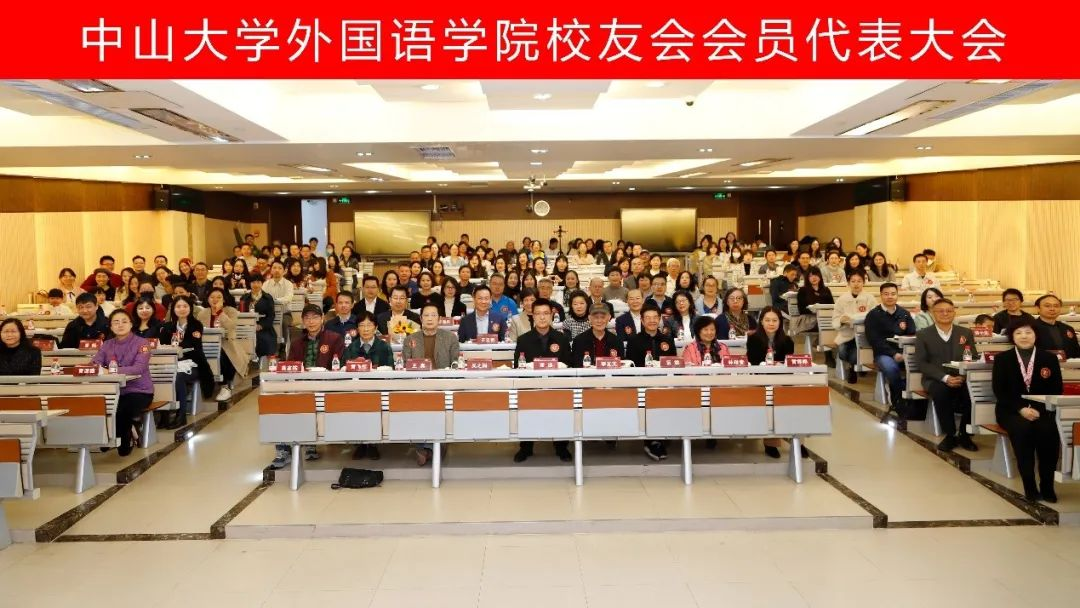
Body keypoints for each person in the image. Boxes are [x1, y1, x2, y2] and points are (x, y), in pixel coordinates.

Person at [993, 320, 1063, 502]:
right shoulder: (1002, 359)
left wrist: (1038, 408)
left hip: (1042, 410)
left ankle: (1047, 485)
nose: (1024, 336)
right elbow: (1000, 391)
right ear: (1012, 337)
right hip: (1010, 410)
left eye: (1028, 332)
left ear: (1036, 335)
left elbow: (1056, 389)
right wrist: (1021, 409)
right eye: (1018, 333)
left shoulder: (1049, 359)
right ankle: (1029, 485)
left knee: (1049, 430)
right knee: (1022, 430)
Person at [270, 304, 344, 469]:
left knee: (308, 402)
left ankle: (309, 441)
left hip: (326, 386)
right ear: (303, 321)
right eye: (307, 318)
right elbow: (290, 366)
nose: (311, 322)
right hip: (301, 385)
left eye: (315, 317)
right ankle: (283, 449)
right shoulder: (297, 343)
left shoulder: (334, 338)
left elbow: (339, 365)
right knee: (279, 403)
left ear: (322, 318)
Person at [512, 298, 573, 463]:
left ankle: (561, 447)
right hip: (531, 387)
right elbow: (518, 366)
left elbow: (569, 364)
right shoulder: (523, 340)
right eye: (538, 313)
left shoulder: (561, 339)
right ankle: (526, 447)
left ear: (552, 315)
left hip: (557, 388)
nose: (542, 317)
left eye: (546, 313)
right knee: (526, 410)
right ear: (532, 316)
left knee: (562, 410)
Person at [915, 298, 978, 452]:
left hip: (961, 377)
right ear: (932, 313)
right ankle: (950, 435)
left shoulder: (965, 333)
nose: (945, 313)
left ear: (954, 313)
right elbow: (922, 363)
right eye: (940, 311)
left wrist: (963, 376)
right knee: (941, 392)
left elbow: (972, 357)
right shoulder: (923, 334)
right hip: (935, 379)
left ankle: (964, 434)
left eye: (949, 311)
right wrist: (945, 378)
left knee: (973, 393)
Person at [91, 310, 153, 456]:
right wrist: (97, 368)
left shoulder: (142, 343)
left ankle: (122, 438)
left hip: (139, 391)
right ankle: (110, 437)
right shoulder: (107, 344)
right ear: (111, 326)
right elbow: (94, 364)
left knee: (121, 408)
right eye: (116, 322)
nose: (120, 325)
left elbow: (139, 368)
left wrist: (110, 371)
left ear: (131, 324)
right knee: (101, 405)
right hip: (113, 390)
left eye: (124, 321)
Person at [627, 304, 677, 460]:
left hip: (665, 383)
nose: (652, 321)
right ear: (642, 321)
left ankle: (660, 436)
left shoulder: (667, 339)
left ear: (660, 319)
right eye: (648, 318)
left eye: (655, 317)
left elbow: (673, 363)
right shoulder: (634, 340)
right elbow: (631, 367)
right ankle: (653, 441)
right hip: (643, 384)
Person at [158, 295, 214, 429]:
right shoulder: (168, 326)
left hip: (193, 364)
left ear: (190, 308)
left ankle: (181, 415)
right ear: (173, 309)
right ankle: (164, 415)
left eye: (185, 306)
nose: (182, 309)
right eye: (178, 306)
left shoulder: (196, 325)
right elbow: (162, 344)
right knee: (160, 376)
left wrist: (178, 347)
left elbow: (193, 343)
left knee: (178, 377)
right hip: (171, 363)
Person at [746, 306, 796, 458]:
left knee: (798, 399)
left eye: (775, 320)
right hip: (761, 379)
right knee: (772, 400)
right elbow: (754, 362)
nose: (771, 323)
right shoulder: (753, 339)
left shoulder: (787, 341)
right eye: (767, 320)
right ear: (761, 321)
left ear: (780, 322)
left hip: (782, 379)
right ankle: (771, 443)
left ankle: (798, 441)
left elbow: (789, 364)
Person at [865, 282, 917, 418]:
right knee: (891, 368)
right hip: (883, 354)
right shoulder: (873, 315)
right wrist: (894, 354)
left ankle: (912, 399)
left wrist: (905, 353)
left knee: (922, 366)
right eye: (886, 294)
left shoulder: (904, 314)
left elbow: (912, 334)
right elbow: (874, 340)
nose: (890, 297)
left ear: (897, 295)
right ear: (881, 295)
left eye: (893, 294)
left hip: (905, 352)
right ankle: (897, 400)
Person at [197, 288, 251, 402]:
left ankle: (225, 385)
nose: (215, 300)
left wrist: (220, 313)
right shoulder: (202, 313)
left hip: (228, 343)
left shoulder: (231, 311)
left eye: (219, 297)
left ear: (224, 299)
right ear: (207, 299)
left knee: (221, 353)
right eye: (212, 297)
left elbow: (231, 326)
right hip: (206, 344)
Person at [833, 270, 877, 383]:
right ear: (848, 283)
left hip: (864, 335)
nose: (856, 284)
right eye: (853, 281)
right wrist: (842, 320)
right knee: (842, 353)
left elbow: (875, 317)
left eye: (859, 281)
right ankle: (855, 365)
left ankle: (853, 367)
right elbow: (835, 319)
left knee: (854, 355)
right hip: (846, 335)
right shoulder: (842, 299)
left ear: (863, 282)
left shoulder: (870, 298)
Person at [571, 303, 624, 367]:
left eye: (603, 317)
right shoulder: (579, 341)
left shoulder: (617, 341)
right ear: (589, 318)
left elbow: (621, 366)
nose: (599, 321)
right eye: (596, 317)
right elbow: (576, 366)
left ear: (609, 317)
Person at [1032, 294, 1080, 358]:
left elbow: (1076, 352)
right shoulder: (1030, 328)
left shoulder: (1067, 328)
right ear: (1038, 308)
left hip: (1069, 364)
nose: (1052, 309)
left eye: (1056, 306)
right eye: (1047, 306)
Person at [241, 275, 277, 359]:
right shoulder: (244, 298)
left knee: (265, 340)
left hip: (264, 327)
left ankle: (262, 361)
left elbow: (271, 316)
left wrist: (261, 325)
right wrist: (248, 325)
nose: (256, 285)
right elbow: (241, 315)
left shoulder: (268, 298)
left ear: (262, 283)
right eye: (253, 282)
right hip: (247, 327)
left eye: (258, 282)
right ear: (250, 284)